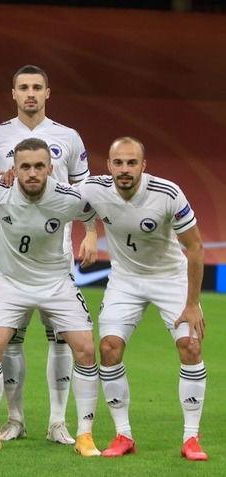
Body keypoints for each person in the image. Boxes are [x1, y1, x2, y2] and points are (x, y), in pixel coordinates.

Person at [0, 138, 101, 456]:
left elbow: (92, 207)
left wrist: (92, 233)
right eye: (25, 166)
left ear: (50, 168)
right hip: (11, 284)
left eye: (39, 166)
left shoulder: (66, 196)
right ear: (14, 168)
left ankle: (85, 434)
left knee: (85, 349)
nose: (32, 172)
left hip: (56, 283)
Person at [0, 65, 95, 444]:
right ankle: (15, 419)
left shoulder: (68, 137)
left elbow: (85, 192)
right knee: (10, 341)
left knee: (60, 340)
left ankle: (58, 421)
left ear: (47, 92)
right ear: (13, 93)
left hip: (57, 257)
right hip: (14, 261)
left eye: (37, 87)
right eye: (23, 87)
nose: (30, 93)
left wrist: (91, 233)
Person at [78, 137, 208, 461]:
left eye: (131, 163)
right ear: (109, 166)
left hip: (170, 278)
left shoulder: (167, 194)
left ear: (143, 166)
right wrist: (90, 232)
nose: (125, 169)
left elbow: (195, 247)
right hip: (125, 279)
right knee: (109, 348)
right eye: (118, 163)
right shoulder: (93, 188)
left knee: (190, 347)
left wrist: (192, 304)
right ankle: (123, 435)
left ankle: (191, 438)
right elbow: (73, 202)